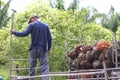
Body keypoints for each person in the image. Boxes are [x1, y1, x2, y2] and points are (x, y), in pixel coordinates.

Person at [10, 14, 52, 80]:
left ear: (32, 18)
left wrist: (14, 32)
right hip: (43, 49)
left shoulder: (31, 25)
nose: (30, 22)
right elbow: (49, 39)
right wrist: (49, 49)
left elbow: (24, 34)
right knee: (44, 67)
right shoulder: (46, 26)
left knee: (32, 67)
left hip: (33, 49)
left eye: (30, 21)